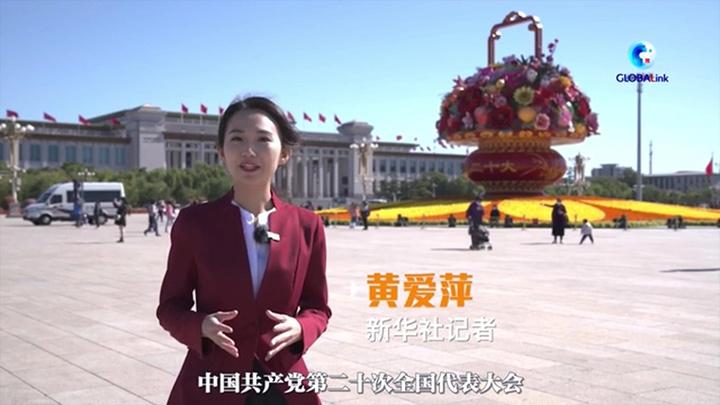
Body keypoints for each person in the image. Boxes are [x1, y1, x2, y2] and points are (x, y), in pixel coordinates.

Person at [156, 96, 331, 405]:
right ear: (221, 151)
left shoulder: (307, 225)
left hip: (282, 384)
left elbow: (318, 307)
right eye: (237, 139)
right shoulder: (195, 223)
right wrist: (200, 326)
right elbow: (170, 307)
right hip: (213, 383)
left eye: (263, 139)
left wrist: (301, 327)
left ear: (284, 153)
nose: (249, 151)